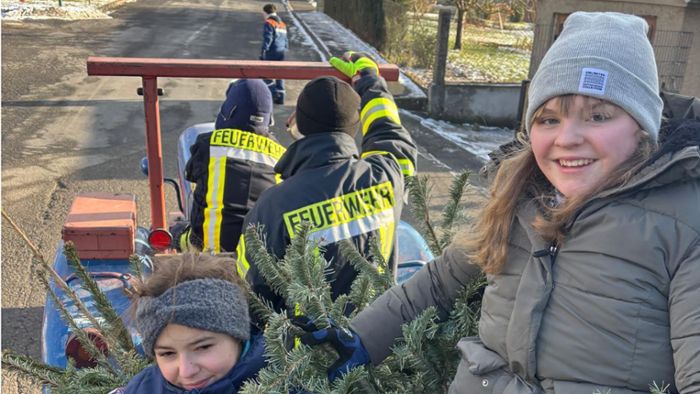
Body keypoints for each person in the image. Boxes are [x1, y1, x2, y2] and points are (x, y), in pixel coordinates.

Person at [298, 12, 700, 393]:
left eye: (598, 116)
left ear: (643, 127)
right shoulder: (522, 196)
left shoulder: (683, 223)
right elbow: (439, 283)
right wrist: (360, 340)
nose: (567, 138)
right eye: (549, 119)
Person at [236, 52, 418, 313]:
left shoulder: (272, 205)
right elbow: (388, 129)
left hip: (305, 351)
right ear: (355, 127)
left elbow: (255, 292)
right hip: (381, 337)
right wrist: (369, 77)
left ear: (299, 125)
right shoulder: (387, 175)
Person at [117, 253, 266, 393]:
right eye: (167, 353)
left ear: (239, 336)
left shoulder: (283, 381)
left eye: (203, 347)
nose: (186, 372)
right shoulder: (143, 388)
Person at [177, 79, 286, 253]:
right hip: (259, 262)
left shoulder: (207, 144)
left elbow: (190, 175)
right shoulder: (281, 156)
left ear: (228, 111)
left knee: (178, 232)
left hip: (207, 254)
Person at [260, 3, 288, 105]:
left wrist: (264, 51)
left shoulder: (269, 22)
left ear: (266, 12)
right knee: (280, 74)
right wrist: (285, 49)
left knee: (265, 74)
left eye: (262, 13)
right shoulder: (282, 24)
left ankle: (273, 92)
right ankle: (281, 96)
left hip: (272, 51)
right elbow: (286, 40)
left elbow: (268, 38)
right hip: (282, 52)